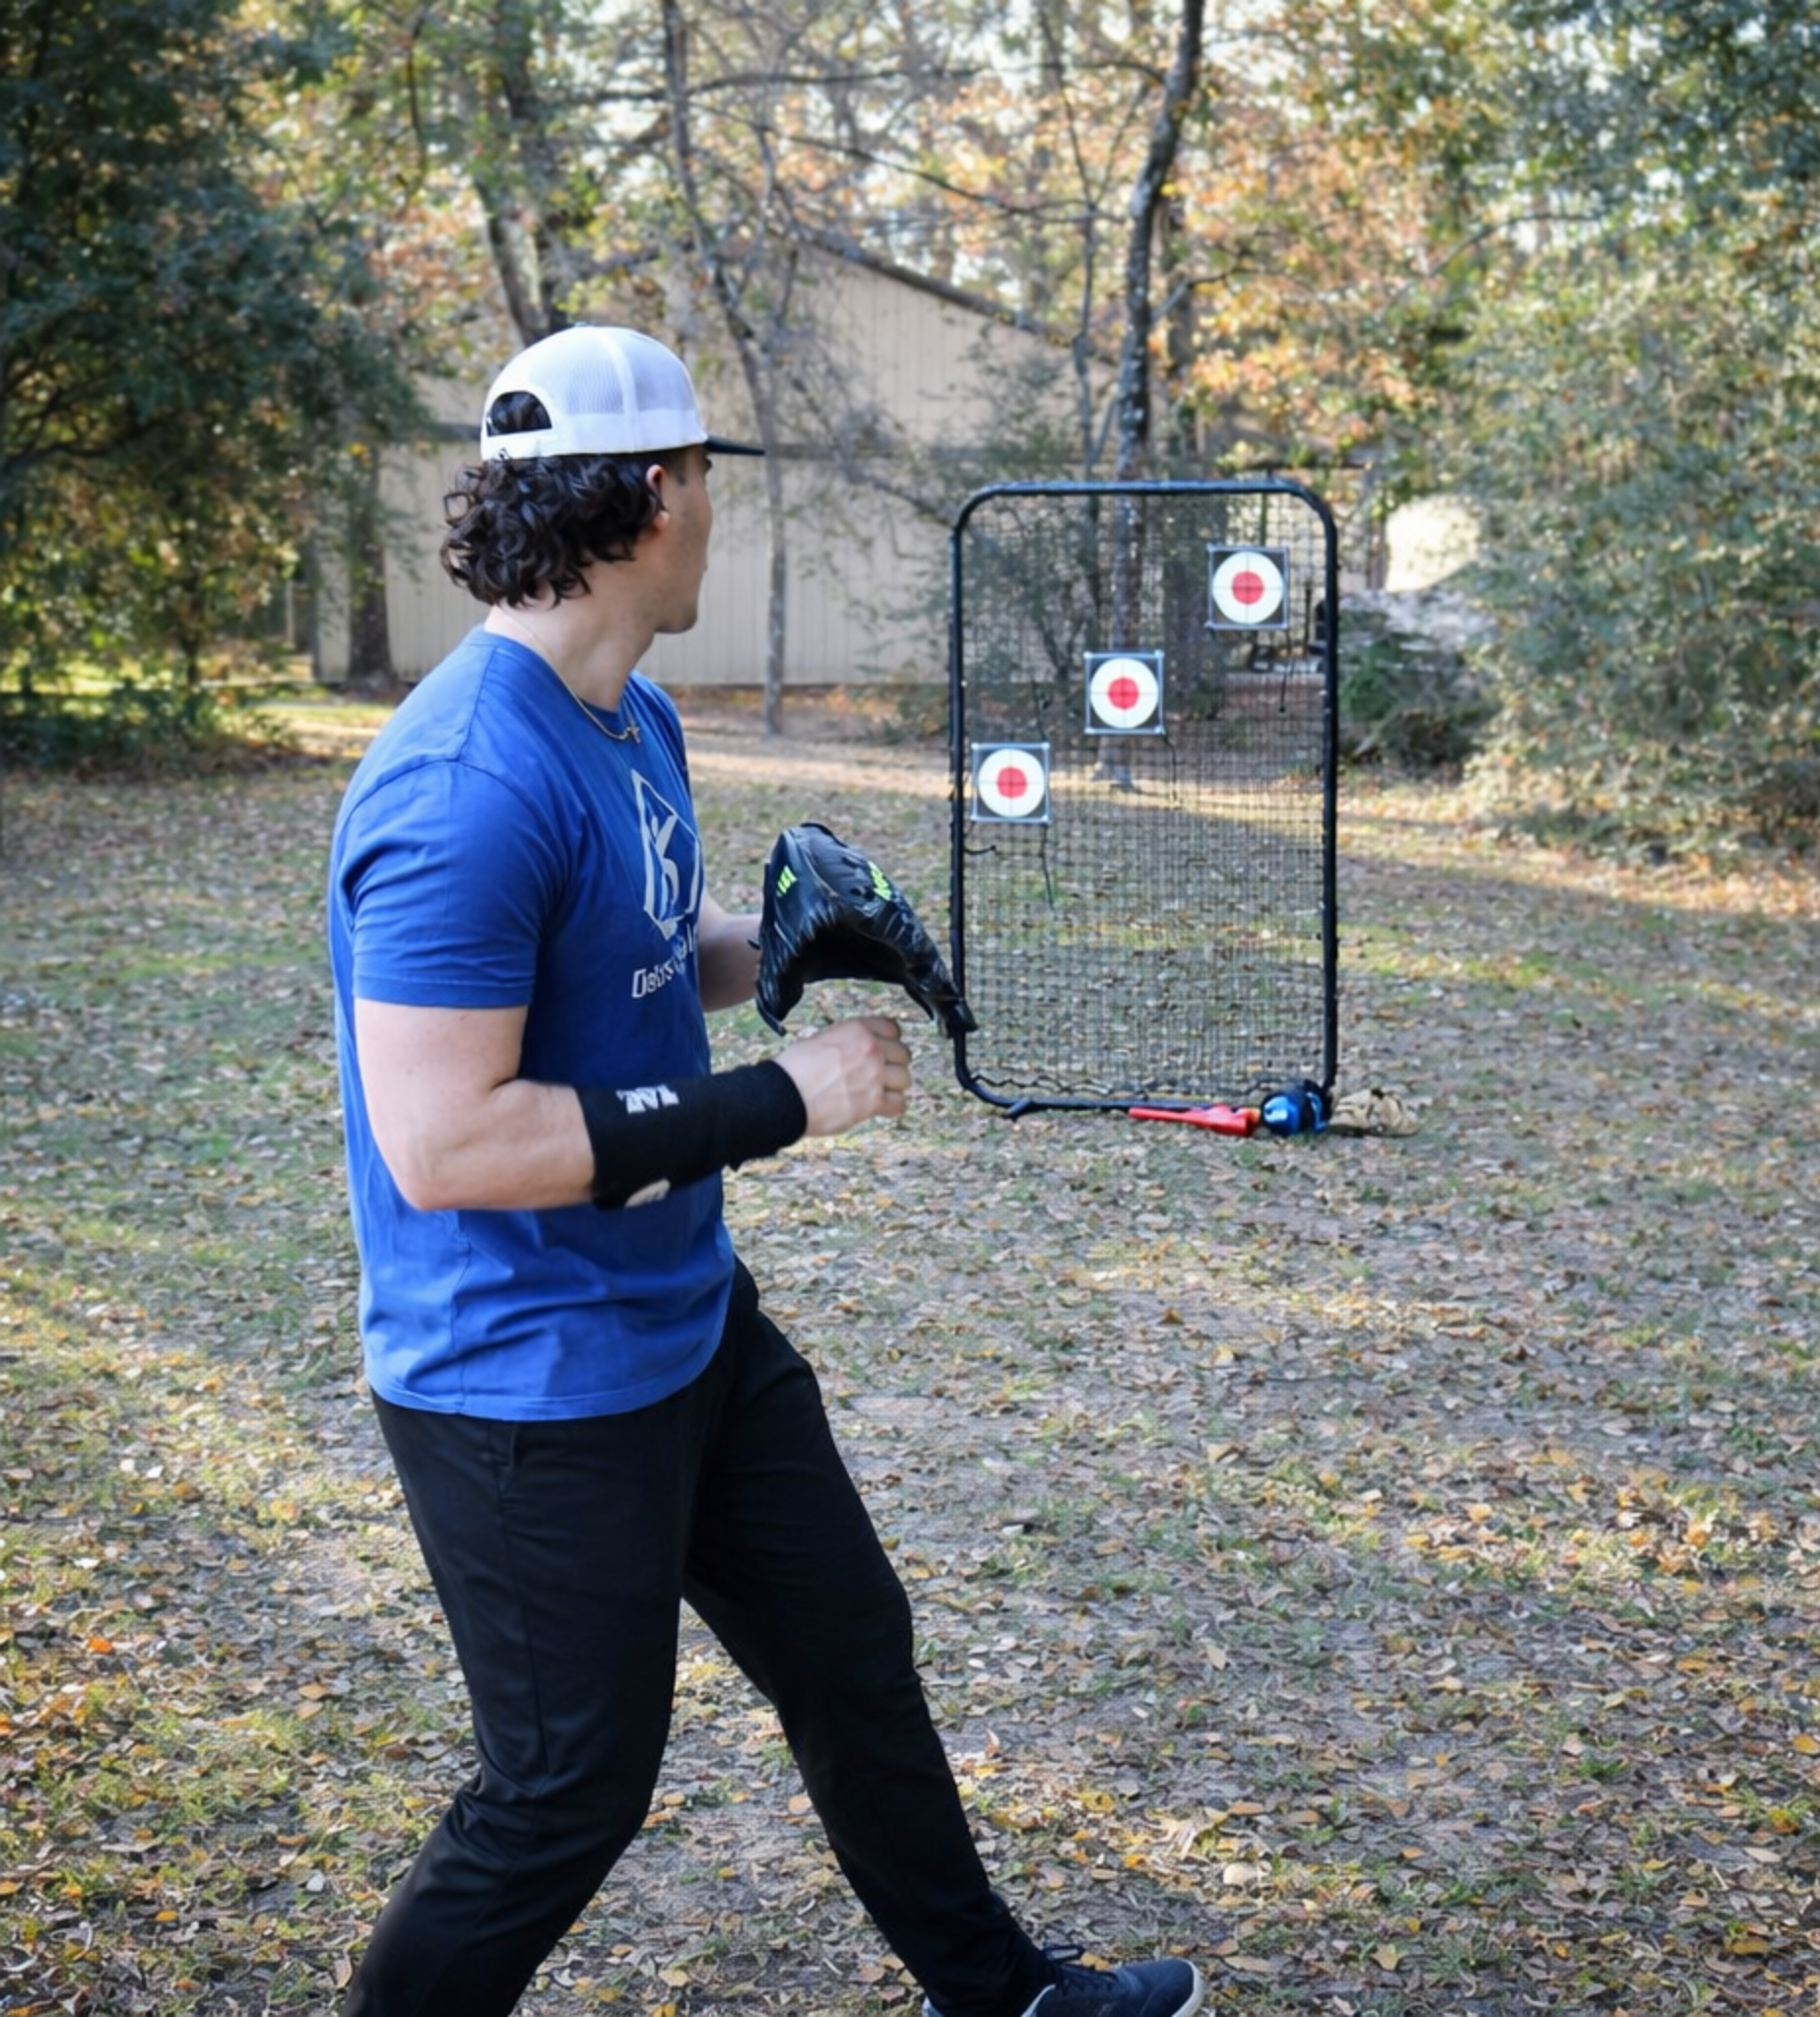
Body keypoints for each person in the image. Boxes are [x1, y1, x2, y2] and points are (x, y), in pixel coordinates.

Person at [325, 323, 1205, 2017]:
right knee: (564, 1792)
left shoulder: (625, 715)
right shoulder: (458, 786)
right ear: (656, 496)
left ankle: (1003, 1998)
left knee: (848, 1653)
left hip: (686, 1327)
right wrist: (780, 1101)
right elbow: (448, 1143)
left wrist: (790, 941)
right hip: (522, 1383)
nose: (714, 513)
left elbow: (643, 951)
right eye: (708, 482)